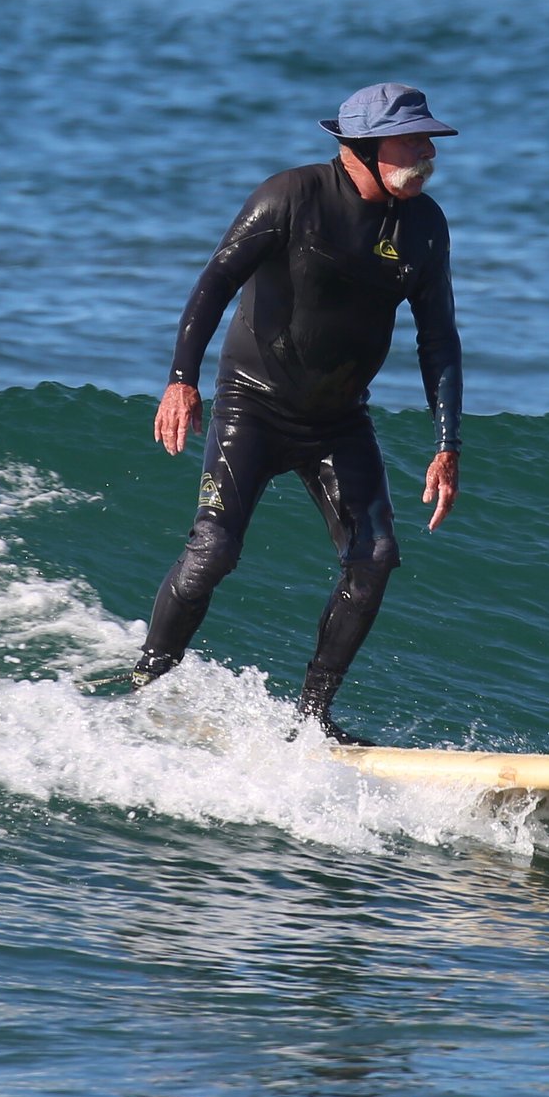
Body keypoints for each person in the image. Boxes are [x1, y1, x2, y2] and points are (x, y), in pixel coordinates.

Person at [131, 82, 465, 744]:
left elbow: (439, 338)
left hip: (339, 420)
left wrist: (447, 443)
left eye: (430, 141)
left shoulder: (424, 225)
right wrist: (180, 382)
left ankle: (311, 721)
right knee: (214, 550)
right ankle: (148, 685)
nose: (428, 153)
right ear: (362, 148)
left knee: (374, 558)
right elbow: (215, 282)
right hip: (251, 407)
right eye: (413, 141)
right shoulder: (291, 196)